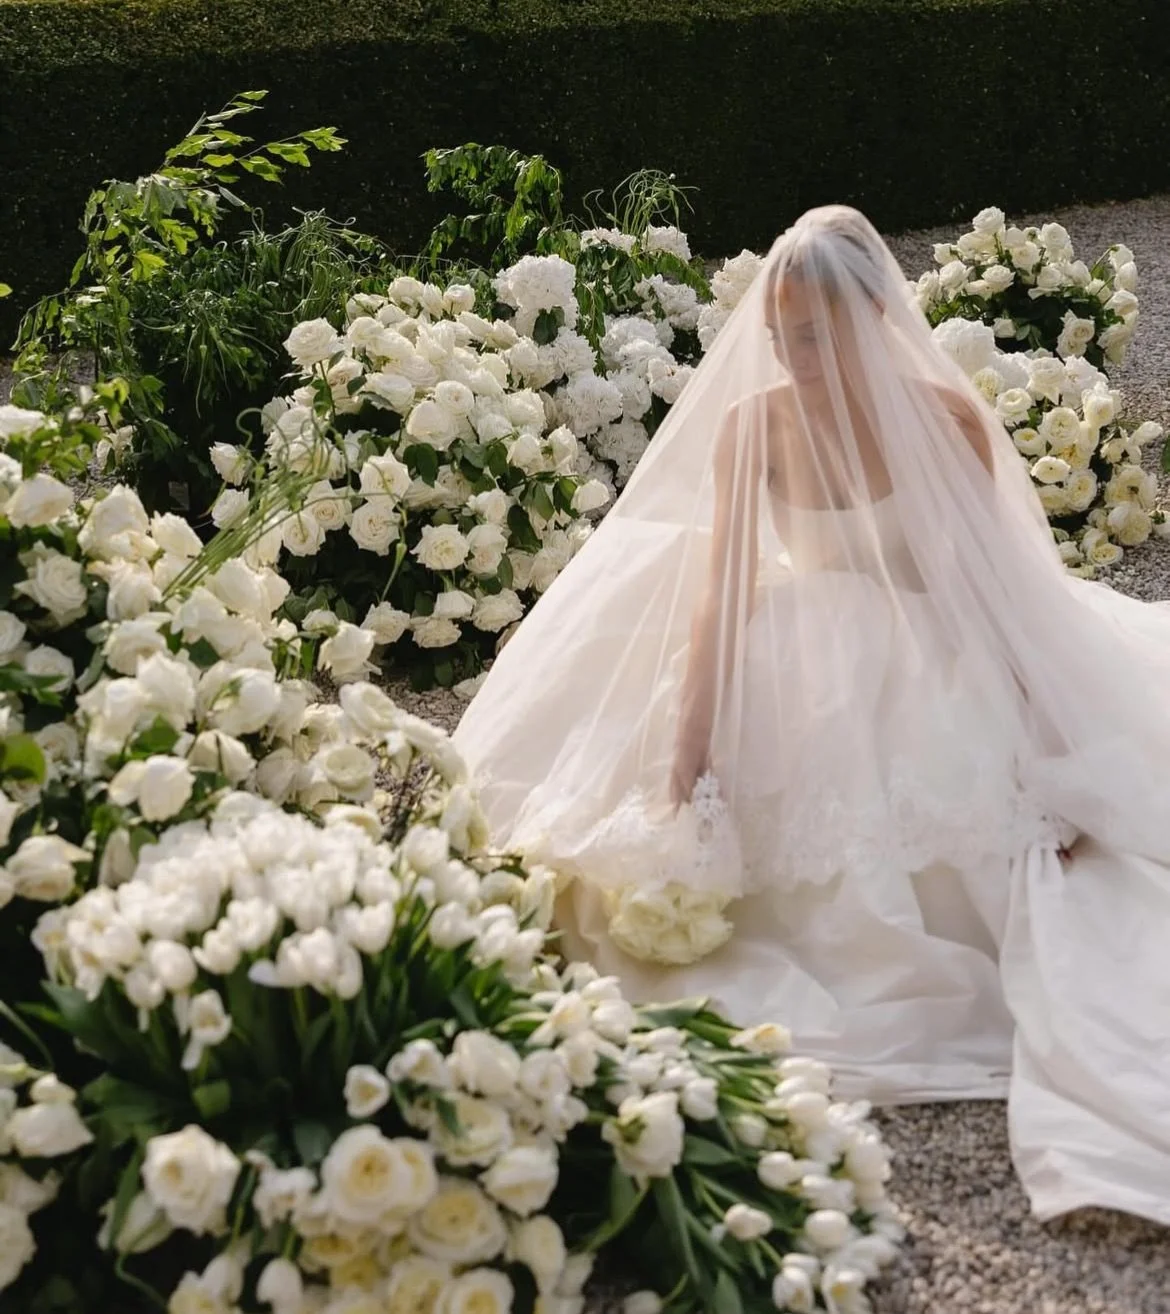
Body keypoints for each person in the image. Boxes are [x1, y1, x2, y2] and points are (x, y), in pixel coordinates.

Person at [452, 206, 1170, 1226]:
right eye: (780, 336)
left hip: (932, 642)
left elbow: (989, 588)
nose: (791, 357)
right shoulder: (756, 426)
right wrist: (692, 749)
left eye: (814, 336)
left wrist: (1049, 754)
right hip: (803, 643)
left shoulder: (947, 420)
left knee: (994, 810)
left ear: (874, 315)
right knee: (764, 789)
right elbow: (719, 593)